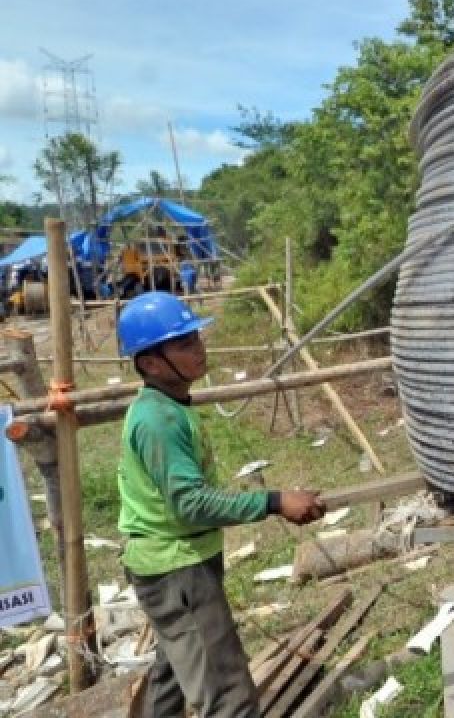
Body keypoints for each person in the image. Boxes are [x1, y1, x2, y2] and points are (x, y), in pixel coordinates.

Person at [116, 292, 326, 717]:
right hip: (178, 568)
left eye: (196, 338)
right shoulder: (159, 421)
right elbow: (189, 504)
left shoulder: (168, 407)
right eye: (184, 344)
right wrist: (273, 501)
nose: (199, 349)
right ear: (152, 363)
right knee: (228, 695)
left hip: (171, 564)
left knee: (173, 674)